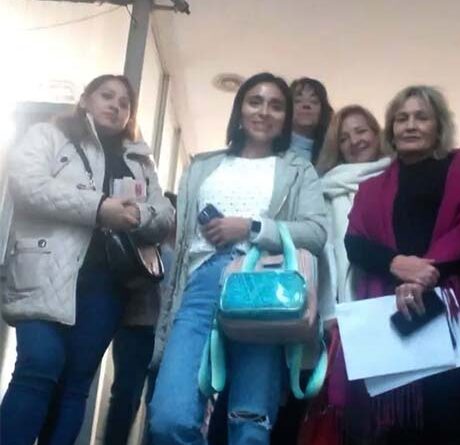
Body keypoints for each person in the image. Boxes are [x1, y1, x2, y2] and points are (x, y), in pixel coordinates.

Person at [148, 72, 327, 445]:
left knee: (250, 427)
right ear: (240, 110)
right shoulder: (202, 165)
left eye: (276, 106)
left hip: (261, 286)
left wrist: (250, 227)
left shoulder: (298, 169)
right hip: (200, 283)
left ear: (286, 118)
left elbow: (315, 232)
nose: (264, 111)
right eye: (255, 101)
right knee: (168, 419)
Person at [0, 74, 174, 445]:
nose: (116, 106)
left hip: (106, 287)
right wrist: (99, 208)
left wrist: (137, 215)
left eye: (124, 103)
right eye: (106, 96)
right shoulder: (49, 136)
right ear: (85, 100)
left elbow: (164, 215)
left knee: (76, 383)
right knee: (39, 364)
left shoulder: (139, 161)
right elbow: (28, 185)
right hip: (45, 271)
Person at [332, 85, 460, 444]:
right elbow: (355, 242)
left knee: (455, 415)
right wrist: (397, 264)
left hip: (452, 307)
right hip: (390, 309)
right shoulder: (372, 187)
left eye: (421, 117)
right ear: (391, 130)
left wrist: (423, 275)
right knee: (398, 428)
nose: (410, 125)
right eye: (401, 118)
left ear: (439, 127)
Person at [103, 191, 177, 445]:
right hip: (140, 325)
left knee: (141, 400)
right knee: (129, 398)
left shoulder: (175, 253)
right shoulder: (146, 244)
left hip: (154, 329)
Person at [315, 105, 392, 320]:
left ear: (376, 134)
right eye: (344, 139)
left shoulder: (399, 176)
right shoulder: (327, 189)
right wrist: (329, 312)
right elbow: (326, 254)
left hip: (402, 291)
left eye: (361, 131)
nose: (355, 141)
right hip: (350, 306)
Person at [288, 77, 334, 164]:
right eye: (298, 101)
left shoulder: (332, 154)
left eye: (314, 101)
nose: (306, 105)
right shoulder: (272, 148)